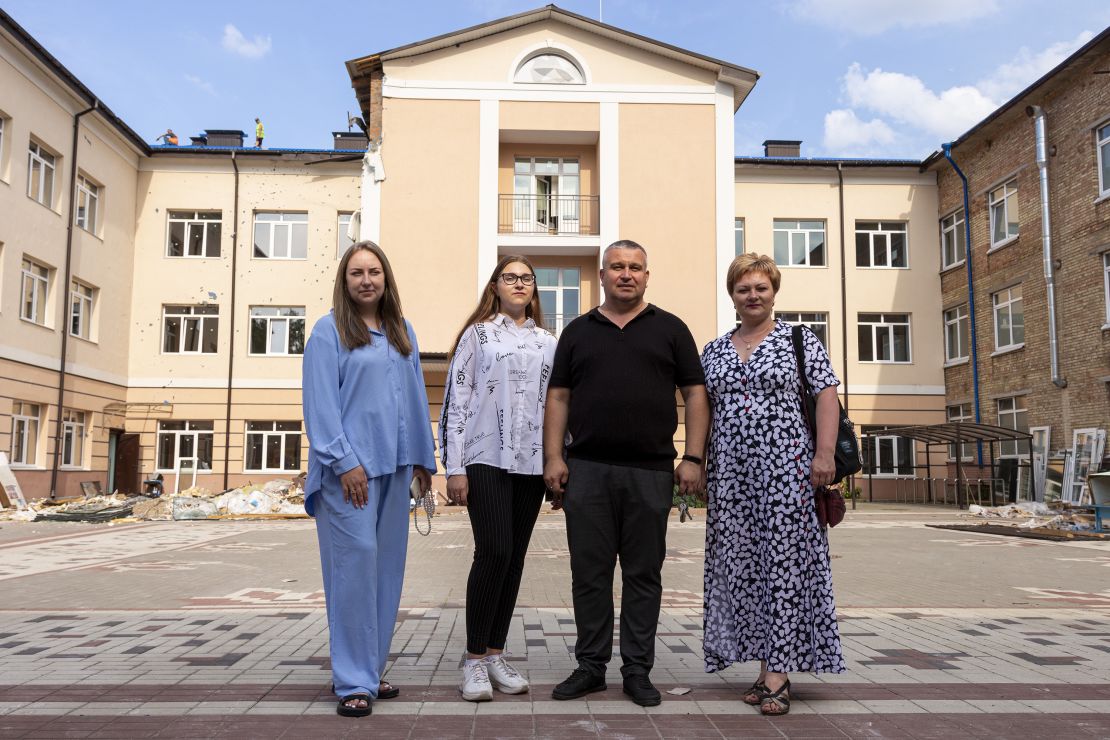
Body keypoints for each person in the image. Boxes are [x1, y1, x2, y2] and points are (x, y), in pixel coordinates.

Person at [543, 240, 709, 707]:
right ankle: (591, 667)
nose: (626, 274)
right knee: (589, 575)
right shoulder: (578, 331)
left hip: (651, 471)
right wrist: (553, 457)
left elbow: (695, 394)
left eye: (635, 267)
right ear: (602, 275)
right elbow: (557, 397)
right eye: (617, 266)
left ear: (647, 276)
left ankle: (637, 670)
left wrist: (692, 457)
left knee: (643, 575)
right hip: (587, 471)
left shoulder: (671, 329)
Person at [700, 253, 845, 717]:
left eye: (761, 287)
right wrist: (697, 461)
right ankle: (764, 670)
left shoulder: (799, 340)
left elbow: (826, 398)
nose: (753, 296)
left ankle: (778, 676)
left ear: (774, 291)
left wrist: (824, 454)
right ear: (733, 296)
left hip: (787, 471)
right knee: (745, 569)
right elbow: (702, 408)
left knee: (784, 567)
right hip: (731, 478)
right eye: (744, 289)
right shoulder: (715, 349)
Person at [302, 241, 436, 718]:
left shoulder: (402, 331)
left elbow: (417, 397)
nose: (366, 280)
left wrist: (423, 461)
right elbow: (320, 405)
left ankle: (371, 669)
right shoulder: (328, 330)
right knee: (354, 572)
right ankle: (353, 681)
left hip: (395, 468)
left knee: (385, 573)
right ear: (344, 280)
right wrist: (344, 462)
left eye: (374, 272)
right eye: (356, 272)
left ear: (386, 278)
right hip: (349, 475)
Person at [441, 255, 557, 702]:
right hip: (484, 456)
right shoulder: (478, 335)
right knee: (493, 551)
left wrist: (555, 462)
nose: (520, 284)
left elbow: (556, 407)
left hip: (530, 465)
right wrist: (453, 467)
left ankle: (495, 653)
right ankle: (472, 660)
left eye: (527, 279)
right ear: (495, 285)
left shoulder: (549, 342)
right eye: (511, 277)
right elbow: (457, 399)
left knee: (514, 559)